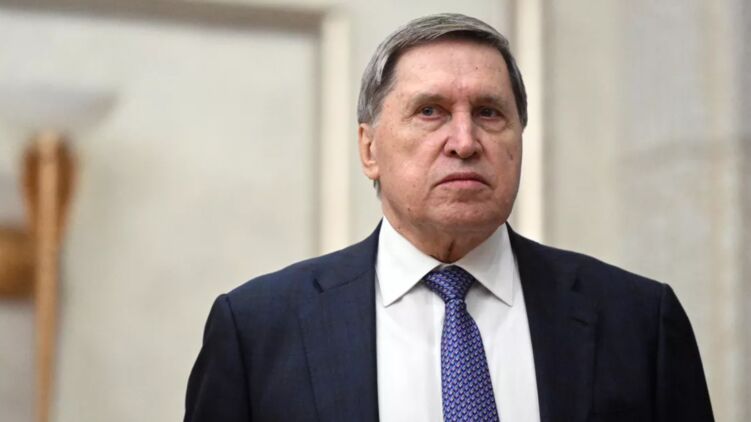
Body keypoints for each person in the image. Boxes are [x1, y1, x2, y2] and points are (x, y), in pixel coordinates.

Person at [184, 13, 714, 422]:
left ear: (519, 139)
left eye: (489, 113)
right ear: (369, 148)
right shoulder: (257, 330)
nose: (464, 142)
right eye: (430, 111)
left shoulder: (638, 322)